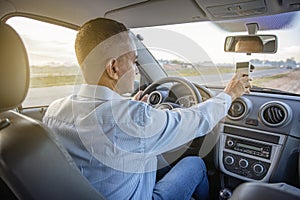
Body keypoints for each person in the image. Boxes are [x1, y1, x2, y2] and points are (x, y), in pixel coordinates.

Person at [43, 18, 250, 200]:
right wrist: (229, 95)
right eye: (134, 62)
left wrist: (131, 109)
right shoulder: (133, 119)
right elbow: (194, 120)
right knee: (195, 164)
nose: (135, 70)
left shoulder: (54, 112)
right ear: (113, 68)